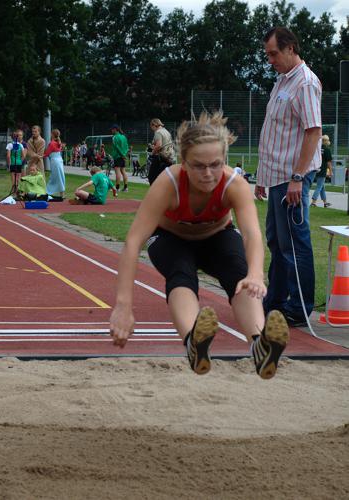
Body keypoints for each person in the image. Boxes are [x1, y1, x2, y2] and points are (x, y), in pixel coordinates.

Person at [110, 111, 289, 379]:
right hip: (170, 238)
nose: (208, 174)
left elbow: (252, 234)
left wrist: (255, 274)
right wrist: (123, 306)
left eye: (215, 164)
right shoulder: (168, 183)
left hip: (217, 236)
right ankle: (194, 343)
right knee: (181, 271)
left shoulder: (234, 184)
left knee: (239, 273)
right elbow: (134, 241)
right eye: (198, 166)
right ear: (183, 162)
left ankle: (259, 344)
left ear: (225, 161)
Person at [254, 27, 322, 328]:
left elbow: (313, 131)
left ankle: (300, 307)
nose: (270, 60)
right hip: (276, 176)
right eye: (267, 54)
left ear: (291, 48)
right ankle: (277, 300)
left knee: (294, 243)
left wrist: (297, 177)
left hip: (292, 177)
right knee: (275, 241)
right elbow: (275, 132)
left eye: (273, 54)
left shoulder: (305, 83)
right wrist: (261, 176)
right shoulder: (283, 80)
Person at [148, 118, 175, 185]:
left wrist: (152, 152)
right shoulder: (166, 131)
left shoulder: (158, 132)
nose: (152, 129)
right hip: (169, 157)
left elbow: (159, 145)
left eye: (151, 127)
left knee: (151, 177)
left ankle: (156, 193)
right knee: (164, 178)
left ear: (154, 125)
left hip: (161, 157)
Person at [311, 135, 332, 208]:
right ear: (326, 141)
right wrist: (330, 171)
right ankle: (313, 202)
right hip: (323, 170)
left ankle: (325, 202)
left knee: (322, 187)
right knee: (319, 186)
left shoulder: (317, 148)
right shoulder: (327, 149)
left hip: (316, 169)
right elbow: (329, 162)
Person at [43, 129, 66, 199]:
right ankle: (61, 193)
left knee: (54, 177)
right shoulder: (58, 143)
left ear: (52, 135)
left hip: (55, 161)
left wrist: (39, 156)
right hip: (59, 161)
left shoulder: (52, 143)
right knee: (60, 176)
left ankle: (48, 192)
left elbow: (47, 153)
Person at [110, 124, 129, 192]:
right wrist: (124, 155)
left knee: (117, 172)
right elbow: (127, 147)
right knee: (123, 171)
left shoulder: (115, 137)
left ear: (115, 129)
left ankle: (117, 188)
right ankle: (126, 188)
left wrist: (122, 155)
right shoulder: (124, 136)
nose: (111, 130)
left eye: (112, 129)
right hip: (123, 156)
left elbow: (117, 147)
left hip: (118, 156)